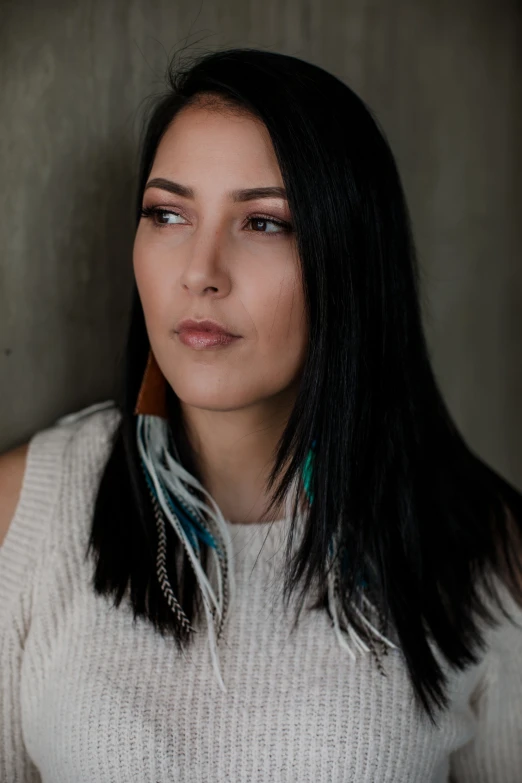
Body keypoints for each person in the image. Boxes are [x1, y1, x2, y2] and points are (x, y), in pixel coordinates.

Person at [1, 47, 521, 783]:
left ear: (348, 258)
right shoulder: (24, 515)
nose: (200, 271)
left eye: (265, 223)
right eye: (168, 212)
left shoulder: (481, 549)